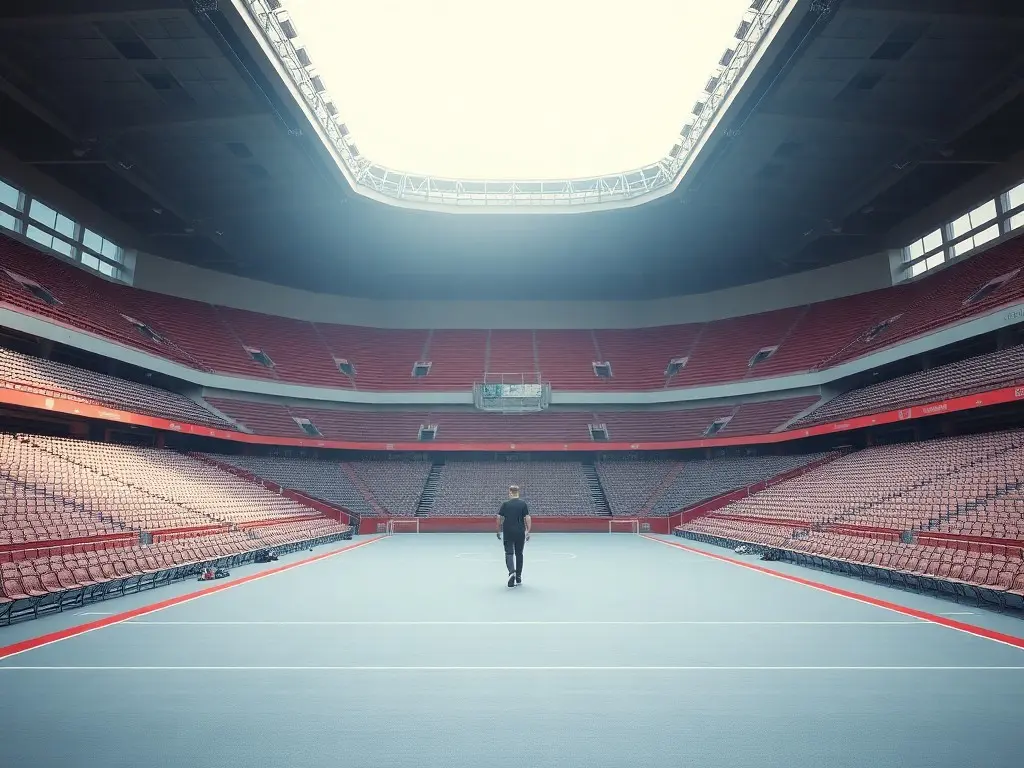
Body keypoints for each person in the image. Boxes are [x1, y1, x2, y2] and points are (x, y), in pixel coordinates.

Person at [497, 484, 531, 587]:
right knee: (519, 554)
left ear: (510, 492)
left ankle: (512, 572)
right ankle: (519, 576)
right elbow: (527, 518)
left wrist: (498, 530)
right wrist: (528, 531)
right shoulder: (523, 504)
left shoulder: (505, 504)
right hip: (520, 532)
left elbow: (499, 517)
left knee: (509, 553)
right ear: (518, 492)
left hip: (508, 532)